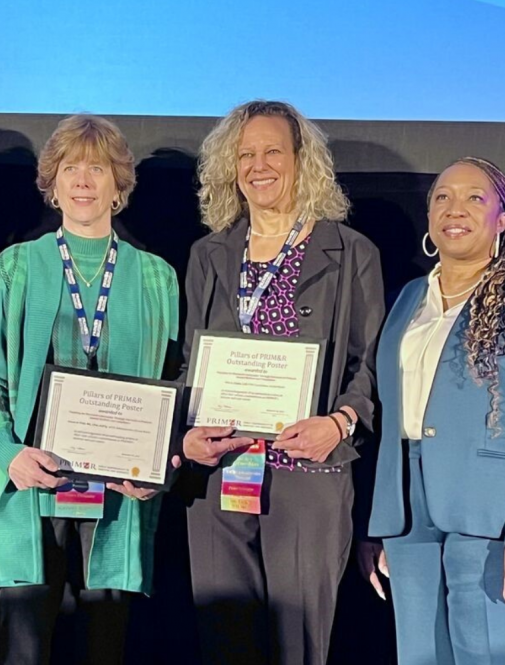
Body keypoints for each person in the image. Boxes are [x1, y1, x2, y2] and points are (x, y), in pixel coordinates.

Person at [179, 100, 384, 665]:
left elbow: (371, 364)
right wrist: (185, 437)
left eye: (272, 151)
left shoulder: (350, 253)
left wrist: (339, 424)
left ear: (302, 161)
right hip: (223, 472)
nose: (258, 165)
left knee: (298, 646)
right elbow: (186, 363)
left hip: (309, 472)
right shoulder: (208, 255)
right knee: (226, 643)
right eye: (245, 154)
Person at [0, 114, 179, 664]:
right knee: (24, 651)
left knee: (106, 650)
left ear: (119, 186)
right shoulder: (15, 267)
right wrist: (8, 452)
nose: (83, 179)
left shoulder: (157, 276)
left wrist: (154, 466)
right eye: (70, 168)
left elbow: (172, 386)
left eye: (97, 168)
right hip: (31, 483)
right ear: (52, 182)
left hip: (117, 493)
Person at [365, 157, 505, 664]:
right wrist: (378, 524)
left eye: (474, 197)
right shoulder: (407, 299)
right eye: (442, 197)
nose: (454, 208)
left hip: (496, 517)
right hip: (407, 514)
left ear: (502, 218)